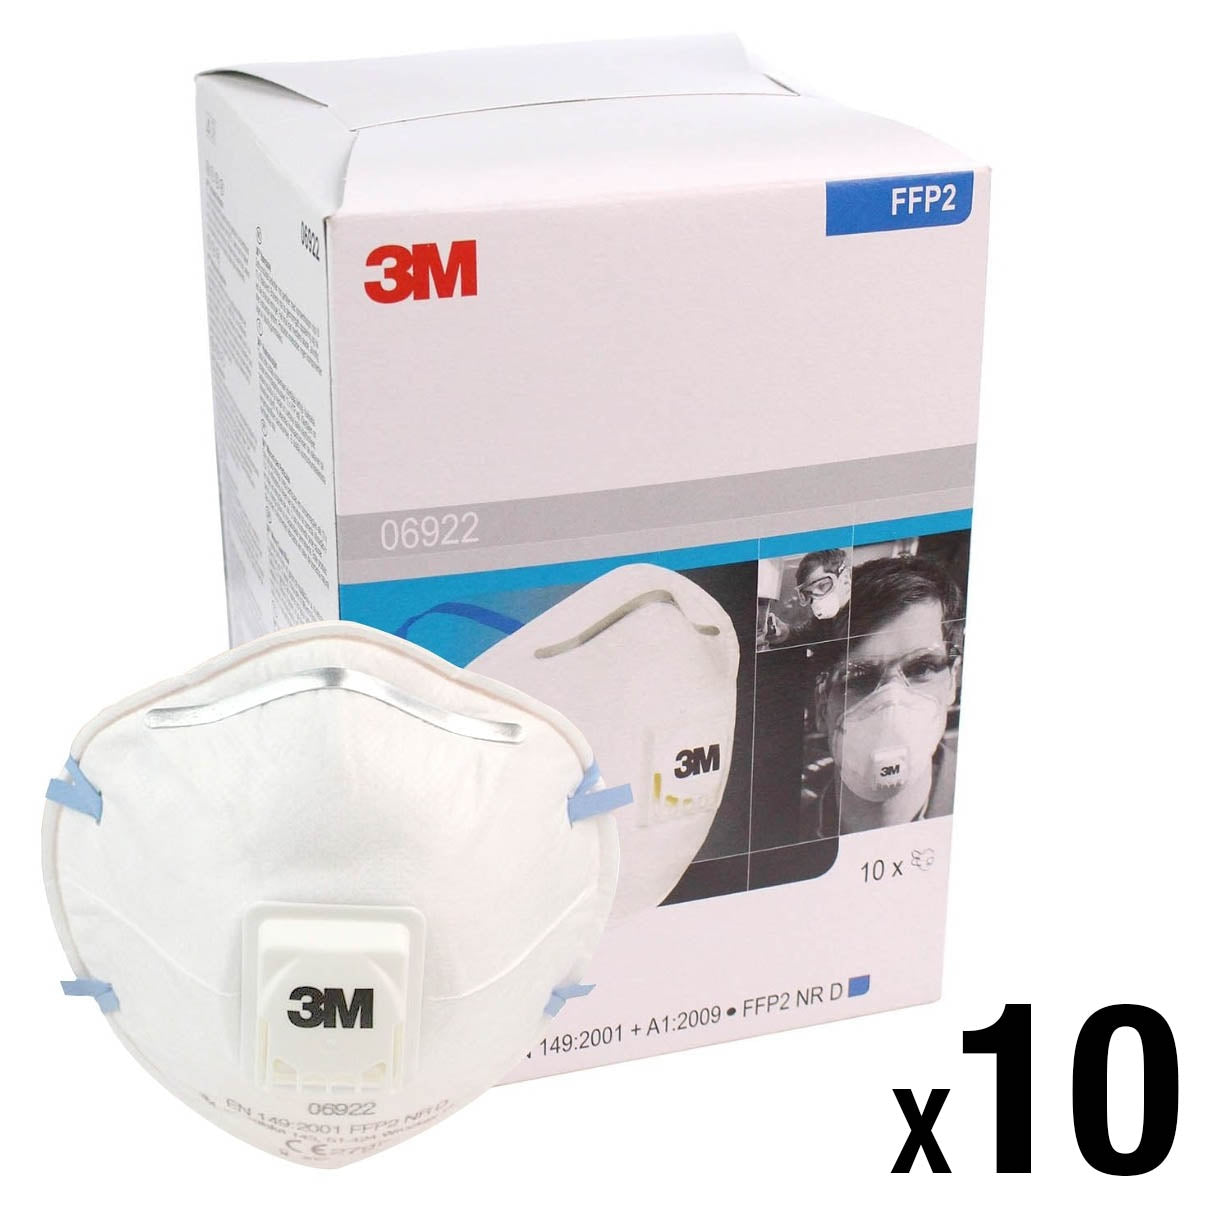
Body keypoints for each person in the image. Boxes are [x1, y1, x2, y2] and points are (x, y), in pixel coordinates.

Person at [801, 554, 963, 834]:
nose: (892, 704)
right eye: (860, 678)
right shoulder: (778, 830)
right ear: (822, 705)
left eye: (921, 668)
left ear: (953, 680)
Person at [760, 548, 851, 647]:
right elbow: (809, 634)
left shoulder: (863, 613)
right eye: (808, 593)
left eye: (823, 585)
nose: (816, 600)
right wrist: (785, 632)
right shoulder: (825, 621)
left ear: (845, 579)